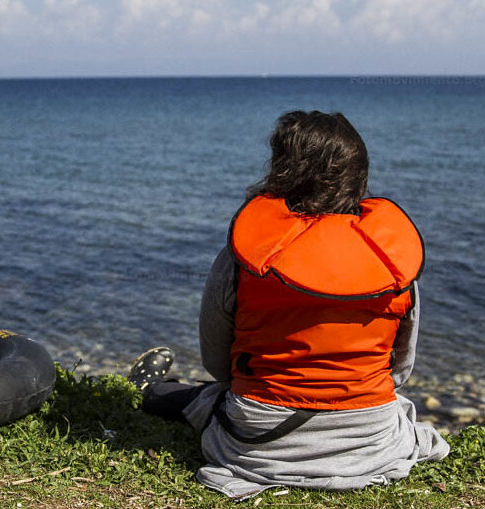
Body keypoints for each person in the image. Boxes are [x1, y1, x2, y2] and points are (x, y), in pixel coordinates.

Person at [127, 110, 450, 499]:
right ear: (359, 176)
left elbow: (217, 363)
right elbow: (400, 371)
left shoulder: (245, 258)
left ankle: (146, 391)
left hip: (260, 444)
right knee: (393, 404)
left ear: (280, 171)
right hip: (369, 441)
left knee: (208, 398)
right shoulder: (394, 263)